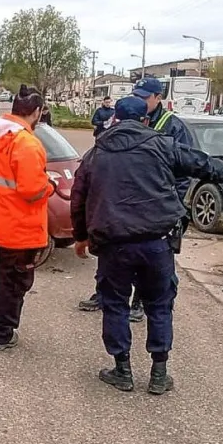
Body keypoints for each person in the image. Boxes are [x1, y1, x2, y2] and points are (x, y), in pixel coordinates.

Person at [71, 96, 223, 394]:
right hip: (157, 243)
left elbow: (78, 197)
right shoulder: (163, 145)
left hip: (114, 244)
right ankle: (159, 373)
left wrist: (80, 237)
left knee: (115, 305)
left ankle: (122, 369)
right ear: (145, 120)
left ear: (115, 119)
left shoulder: (95, 154)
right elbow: (207, 166)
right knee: (159, 306)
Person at [78, 78, 195, 320]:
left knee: (150, 262)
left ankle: (139, 303)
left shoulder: (172, 126)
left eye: (145, 96)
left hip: (154, 208)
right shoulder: (123, 117)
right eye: (137, 95)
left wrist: (172, 201)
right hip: (120, 203)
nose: (140, 100)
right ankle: (104, 295)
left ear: (158, 98)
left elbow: (184, 171)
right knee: (113, 255)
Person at [0, 86, 57, 351]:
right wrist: (50, 185)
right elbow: (33, 191)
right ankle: (3, 332)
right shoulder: (27, 144)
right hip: (19, 227)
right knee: (15, 280)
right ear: (37, 112)